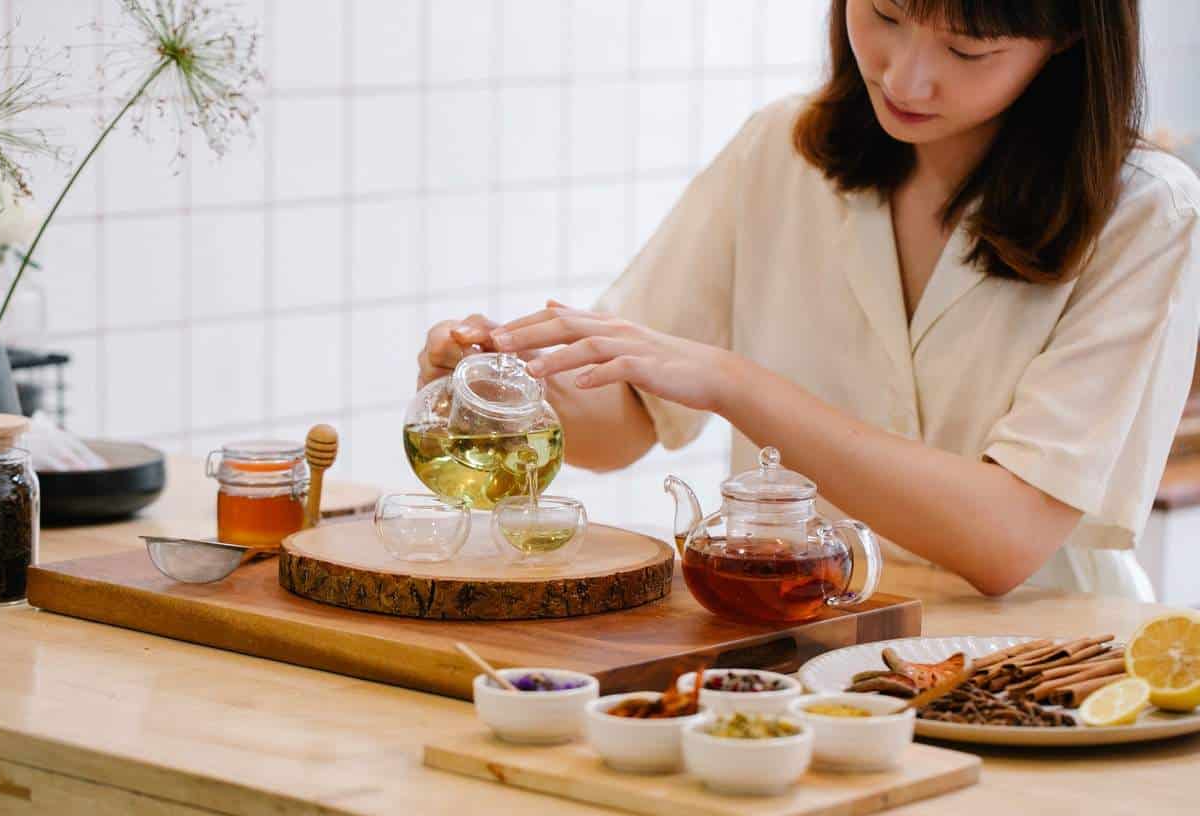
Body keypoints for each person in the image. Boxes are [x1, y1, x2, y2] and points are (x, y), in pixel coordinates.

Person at [416, 0, 1198, 597]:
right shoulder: (782, 150)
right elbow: (625, 421)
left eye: (968, 48)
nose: (905, 75)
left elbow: (1006, 537)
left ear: (1064, 39)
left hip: (1040, 676)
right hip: (796, 644)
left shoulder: (1144, 214)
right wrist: (507, 392)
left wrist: (736, 384)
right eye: (885, 14)